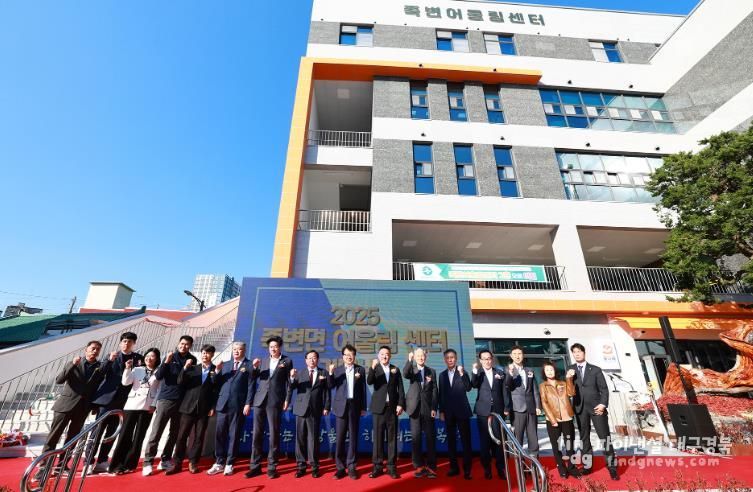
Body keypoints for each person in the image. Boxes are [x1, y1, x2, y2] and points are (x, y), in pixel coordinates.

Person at [40, 340, 105, 477]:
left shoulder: (100, 367)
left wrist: (93, 406)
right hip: (65, 406)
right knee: (53, 437)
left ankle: (62, 465)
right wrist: (72, 364)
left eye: (98, 349)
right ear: (86, 350)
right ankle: (43, 468)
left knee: (72, 439)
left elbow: (97, 388)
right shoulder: (75, 363)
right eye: (93, 348)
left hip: (83, 408)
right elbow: (59, 380)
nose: (95, 351)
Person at [89, 332, 143, 474]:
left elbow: (140, 379)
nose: (127, 344)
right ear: (120, 343)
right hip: (106, 401)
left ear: (134, 344)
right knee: (97, 433)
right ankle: (89, 461)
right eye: (124, 341)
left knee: (112, 433)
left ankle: (102, 461)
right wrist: (109, 361)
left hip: (123, 402)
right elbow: (100, 374)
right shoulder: (111, 356)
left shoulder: (138, 358)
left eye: (130, 341)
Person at [143, 335, 197, 475]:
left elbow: (187, 380)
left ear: (190, 346)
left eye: (187, 344)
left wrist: (186, 368)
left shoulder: (192, 359)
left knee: (174, 434)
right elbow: (159, 376)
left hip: (182, 401)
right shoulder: (170, 356)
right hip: (166, 399)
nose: (184, 346)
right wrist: (166, 362)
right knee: (156, 432)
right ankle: (148, 462)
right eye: (182, 343)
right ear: (178, 344)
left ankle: (165, 459)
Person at [567, 343, 618, 481]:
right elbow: (569, 390)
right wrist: (568, 378)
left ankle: (612, 467)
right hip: (580, 408)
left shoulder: (595, 369)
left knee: (605, 437)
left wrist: (603, 404)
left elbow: (604, 389)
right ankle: (587, 466)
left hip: (597, 408)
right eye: (574, 352)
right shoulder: (570, 369)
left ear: (584, 353)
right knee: (584, 438)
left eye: (579, 351)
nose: (577, 354)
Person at [245, 335, 293, 479]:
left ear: (280, 347)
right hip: (260, 400)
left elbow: (289, 383)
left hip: (275, 401)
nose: (273, 349)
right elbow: (253, 378)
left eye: (275, 346)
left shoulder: (286, 361)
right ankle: (255, 466)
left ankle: (272, 466)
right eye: (271, 347)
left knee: (274, 433)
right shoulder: (263, 361)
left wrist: (287, 399)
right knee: (257, 434)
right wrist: (254, 367)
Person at [167, 344, 219, 475]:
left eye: (208, 353)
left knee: (199, 437)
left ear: (212, 355)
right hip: (188, 407)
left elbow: (216, 391)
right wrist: (185, 368)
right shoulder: (193, 368)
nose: (205, 355)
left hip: (204, 409)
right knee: (181, 436)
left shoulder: (216, 370)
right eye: (203, 352)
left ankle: (193, 462)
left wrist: (213, 407)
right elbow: (180, 381)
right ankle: (177, 463)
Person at [109, 347, 161, 475]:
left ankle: (130, 464)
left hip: (147, 407)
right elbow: (125, 382)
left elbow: (159, 390)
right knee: (125, 435)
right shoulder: (138, 369)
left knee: (139, 437)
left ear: (157, 358)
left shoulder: (159, 372)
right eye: (147, 356)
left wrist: (154, 405)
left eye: (152, 356)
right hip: (132, 405)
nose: (149, 358)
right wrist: (127, 368)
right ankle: (117, 465)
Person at [207, 341, 254, 477]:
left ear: (244, 351)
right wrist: (217, 370)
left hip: (238, 405)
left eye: (239, 349)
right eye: (234, 349)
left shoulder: (249, 365)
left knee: (234, 435)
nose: (236, 352)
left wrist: (248, 403)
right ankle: (219, 462)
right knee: (220, 434)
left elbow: (251, 386)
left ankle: (230, 463)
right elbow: (214, 383)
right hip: (223, 404)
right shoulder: (225, 364)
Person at [286, 349, 330, 478]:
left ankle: (314, 466)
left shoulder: (323, 373)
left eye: (314, 357)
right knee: (300, 439)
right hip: (300, 409)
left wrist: (326, 406)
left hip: (315, 409)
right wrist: (292, 377)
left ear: (318, 359)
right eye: (309, 358)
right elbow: (291, 387)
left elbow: (327, 392)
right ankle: (301, 466)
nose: (312, 360)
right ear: (305, 360)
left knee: (313, 439)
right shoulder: (300, 373)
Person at [328, 344, 367, 480]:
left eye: (351, 355)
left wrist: (363, 407)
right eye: (346, 355)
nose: (349, 357)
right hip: (340, 407)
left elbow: (363, 390)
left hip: (354, 406)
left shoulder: (360, 370)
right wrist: (330, 373)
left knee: (353, 437)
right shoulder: (338, 370)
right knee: (340, 437)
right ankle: (340, 467)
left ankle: (351, 466)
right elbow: (330, 385)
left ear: (354, 356)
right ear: (343, 356)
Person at [367, 345, 405, 480]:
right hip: (378, 408)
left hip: (392, 408)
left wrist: (400, 404)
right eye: (382, 354)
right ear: (379, 356)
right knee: (377, 438)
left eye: (387, 354)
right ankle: (377, 467)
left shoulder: (395, 369)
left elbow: (401, 389)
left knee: (392, 438)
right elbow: (369, 381)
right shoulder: (375, 368)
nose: (385, 356)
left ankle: (391, 467)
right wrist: (372, 367)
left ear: (390, 356)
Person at [539, 360, 579, 479]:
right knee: (556, 446)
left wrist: (569, 379)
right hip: (553, 420)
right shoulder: (543, 386)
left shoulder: (563, 383)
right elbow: (544, 403)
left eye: (551, 369)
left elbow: (571, 393)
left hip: (567, 418)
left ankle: (572, 467)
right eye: (547, 370)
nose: (549, 372)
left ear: (555, 371)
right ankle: (561, 467)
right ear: (544, 373)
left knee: (569, 445)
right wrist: (552, 420)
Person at [471, 349, 507, 480]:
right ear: (480, 361)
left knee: (499, 440)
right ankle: (487, 468)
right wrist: (474, 371)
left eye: (489, 358)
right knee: (485, 441)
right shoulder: (478, 373)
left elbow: (504, 391)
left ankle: (500, 468)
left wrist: (506, 407)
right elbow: (473, 384)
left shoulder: (500, 373)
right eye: (484, 359)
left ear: (492, 359)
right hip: (483, 411)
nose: (487, 361)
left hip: (498, 410)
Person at [403, 348, 438, 479]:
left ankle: (431, 466)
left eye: (422, 355)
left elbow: (434, 390)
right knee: (416, 438)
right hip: (414, 408)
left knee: (430, 438)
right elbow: (405, 373)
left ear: (425, 356)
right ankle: (418, 466)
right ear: (415, 357)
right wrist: (409, 360)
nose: (420, 358)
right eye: (418, 356)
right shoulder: (412, 370)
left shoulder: (431, 371)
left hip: (428, 409)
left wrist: (434, 407)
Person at [438, 348, 472, 480]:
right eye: (447, 358)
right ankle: (454, 467)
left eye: (452, 357)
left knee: (465, 441)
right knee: (451, 441)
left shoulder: (462, 372)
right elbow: (441, 395)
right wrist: (441, 411)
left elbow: (468, 388)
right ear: (444, 360)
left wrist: (462, 374)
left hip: (462, 411)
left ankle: (467, 469)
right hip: (448, 413)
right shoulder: (442, 375)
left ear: (456, 358)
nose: (450, 360)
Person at [505, 345, 541, 458]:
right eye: (515, 354)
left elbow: (535, 389)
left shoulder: (529, 370)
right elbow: (507, 386)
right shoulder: (507, 370)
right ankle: (519, 463)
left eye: (519, 354)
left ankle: (535, 463)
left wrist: (538, 406)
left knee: (533, 437)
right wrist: (510, 374)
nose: (517, 356)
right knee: (518, 438)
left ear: (523, 355)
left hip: (531, 408)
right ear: (511, 356)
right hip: (517, 408)